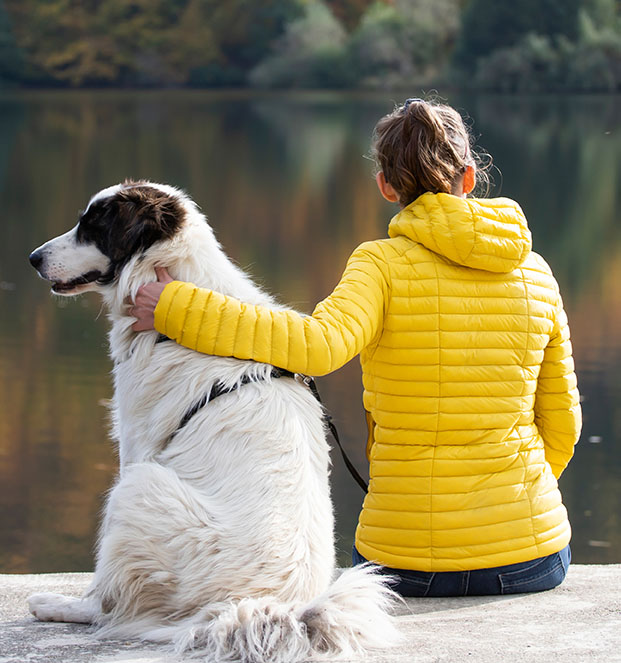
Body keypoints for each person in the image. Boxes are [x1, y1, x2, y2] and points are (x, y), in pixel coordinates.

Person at [130, 98, 581, 597]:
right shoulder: (535, 273)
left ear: (386, 185)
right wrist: (511, 499)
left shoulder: (380, 265)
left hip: (407, 565)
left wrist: (176, 307)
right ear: (469, 177)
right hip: (532, 559)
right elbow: (563, 425)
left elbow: (314, 347)